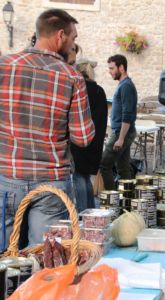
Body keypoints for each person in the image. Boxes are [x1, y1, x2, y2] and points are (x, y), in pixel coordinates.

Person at [0, 9, 95, 251]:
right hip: (51, 182)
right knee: (44, 262)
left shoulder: (2, 66)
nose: (74, 43)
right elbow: (83, 137)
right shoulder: (72, 78)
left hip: (9, 178)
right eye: (73, 38)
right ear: (60, 36)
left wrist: (2, 122)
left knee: (0, 259)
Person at [71, 58, 108, 211]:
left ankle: (82, 215)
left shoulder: (80, 89)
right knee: (86, 179)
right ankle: (90, 213)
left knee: (79, 178)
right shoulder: (99, 91)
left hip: (79, 142)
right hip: (95, 142)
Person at [100, 54, 137, 190]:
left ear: (121, 67)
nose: (110, 72)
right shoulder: (124, 85)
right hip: (124, 132)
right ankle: (127, 201)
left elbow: (127, 115)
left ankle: (112, 200)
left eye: (112, 68)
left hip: (121, 133)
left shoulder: (126, 86)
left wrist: (120, 138)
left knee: (104, 165)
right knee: (123, 168)